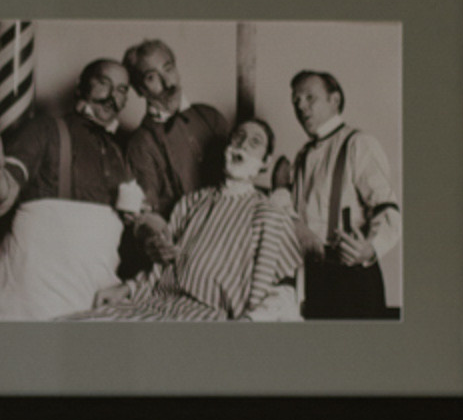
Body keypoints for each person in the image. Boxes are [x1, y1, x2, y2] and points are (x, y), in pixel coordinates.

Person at [77, 117, 301, 324]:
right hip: (154, 303)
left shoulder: (269, 214)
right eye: (238, 136)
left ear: (265, 162)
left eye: (255, 142)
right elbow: (160, 267)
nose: (242, 145)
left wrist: (248, 324)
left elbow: (278, 293)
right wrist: (127, 288)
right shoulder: (191, 202)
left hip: (206, 316)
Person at [0, 60, 133, 320]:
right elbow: (2, 197)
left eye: (121, 89)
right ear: (80, 87)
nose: (112, 96)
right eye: (104, 83)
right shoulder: (45, 128)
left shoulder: (118, 152)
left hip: (96, 291)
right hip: (39, 293)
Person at [286, 68, 399, 319]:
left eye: (309, 98)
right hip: (315, 279)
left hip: (354, 278)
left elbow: (387, 206)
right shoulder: (302, 156)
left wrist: (371, 248)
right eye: (296, 101)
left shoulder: (358, 143)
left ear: (334, 100)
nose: (301, 106)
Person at [119, 38, 228, 217]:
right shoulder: (140, 144)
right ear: (140, 90)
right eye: (151, 77)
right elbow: (149, 214)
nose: (167, 83)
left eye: (168, 69)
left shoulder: (210, 116)